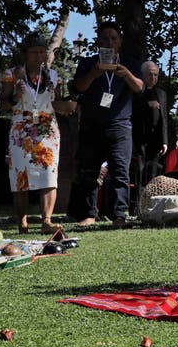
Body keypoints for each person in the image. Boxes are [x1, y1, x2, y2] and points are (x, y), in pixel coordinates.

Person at [0, 32, 76, 234]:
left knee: (49, 175)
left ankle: (47, 221)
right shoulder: (13, 74)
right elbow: (2, 105)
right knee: (20, 177)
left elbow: (56, 102)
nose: (38, 56)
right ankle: (22, 222)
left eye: (42, 52)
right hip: (20, 133)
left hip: (47, 131)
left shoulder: (53, 76)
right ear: (25, 53)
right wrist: (15, 94)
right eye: (34, 52)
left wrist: (67, 106)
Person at [67, 21, 143, 228]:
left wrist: (126, 73)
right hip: (92, 125)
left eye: (114, 38)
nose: (109, 42)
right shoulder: (87, 63)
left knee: (120, 170)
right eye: (105, 38)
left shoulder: (130, 63)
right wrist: (94, 73)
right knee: (90, 171)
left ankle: (120, 215)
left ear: (120, 43)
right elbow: (79, 87)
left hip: (119, 125)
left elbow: (139, 88)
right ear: (98, 42)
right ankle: (89, 214)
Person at [131, 61, 168, 214]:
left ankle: (151, 207)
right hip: (139, 138)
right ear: (142, 75)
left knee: (153, 173)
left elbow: (165, 118)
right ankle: (136, 208)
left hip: (155, 140)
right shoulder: (136, 91)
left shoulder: (162, 94)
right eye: (150, 74)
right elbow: (132, 112)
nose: (153, 77)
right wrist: (148, 105)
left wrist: (165, 140)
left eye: (155, 74)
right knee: (139, 173)